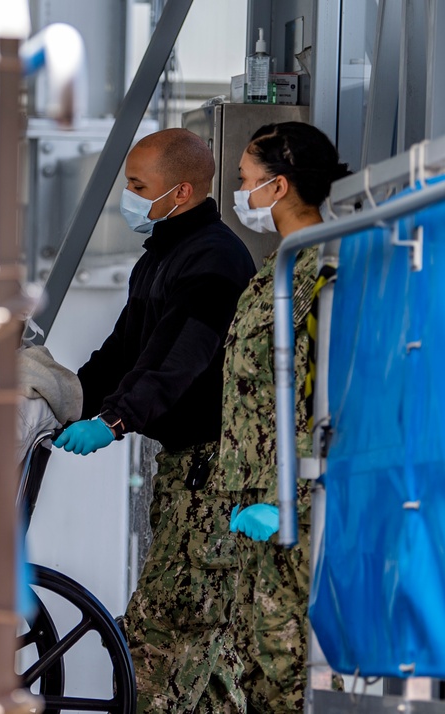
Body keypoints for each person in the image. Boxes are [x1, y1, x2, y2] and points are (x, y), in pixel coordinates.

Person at [54, 128, 256, 711]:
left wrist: (115, 421)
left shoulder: (215, 259)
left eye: (139, 187)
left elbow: (180, 361)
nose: (130, 198)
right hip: (183, 467)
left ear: (181, 191)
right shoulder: (163, 257)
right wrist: (67, 400)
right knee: (187, 631)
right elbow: (123, 351)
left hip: (211, 471)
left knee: (172, 627)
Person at [220, 121, 349, 713]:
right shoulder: (282, 264)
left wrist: (293, 495)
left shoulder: (323, 268)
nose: (239, 192)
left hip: (295, 507)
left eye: (246, 181)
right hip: (261, 501)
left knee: (294, 673)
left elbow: (325, 389)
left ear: (279, 186)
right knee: (262, 669)